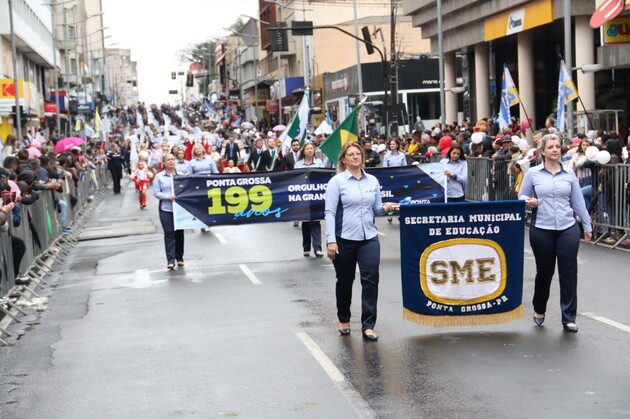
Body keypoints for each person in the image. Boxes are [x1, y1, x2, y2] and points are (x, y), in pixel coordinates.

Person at [325, 142, 399, 341]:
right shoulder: (337, 182)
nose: (356, 157)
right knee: (345, 281)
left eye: (358, 154)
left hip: (369, 238)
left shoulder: (372, 181)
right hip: (344, 239)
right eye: (351, 154)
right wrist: (331, 241)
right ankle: (344, 319)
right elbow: (330, 213)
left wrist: (386, 207)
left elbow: (375, 209)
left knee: (370, 279)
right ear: (343, 159)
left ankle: (368, 325)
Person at [518, 133, 592, 333]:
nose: (555, 150)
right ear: (542, 151)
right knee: (545, 272)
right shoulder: (533, 173)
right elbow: (521, 195)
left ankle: (569, 318)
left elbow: (578, 203)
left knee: (569, 272)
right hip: (542, 228)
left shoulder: (569, 174)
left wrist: (587, 226)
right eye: (550, 147)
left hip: (568, 227)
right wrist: (529, 201)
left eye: (557, 146)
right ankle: (539, 307)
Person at [153, 153, 185, 270]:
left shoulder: (181, 175)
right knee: (169, 233)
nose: (171, 161)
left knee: (179, 233)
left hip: (179, 209)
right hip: (166, 209)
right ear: (164, 163)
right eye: (168, 160)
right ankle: (170, 260)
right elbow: (156, 192)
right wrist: (167, 197)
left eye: (172, 159)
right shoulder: (159, 176)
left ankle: (179, 257)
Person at [294, 142, 324, 257]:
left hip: (316, 196)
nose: (310, 150)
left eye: (312, 148)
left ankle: (318, 248)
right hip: (303, 197)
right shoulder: (298, 164)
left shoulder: (319, 163)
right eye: (308, 148)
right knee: (306, 222)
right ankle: (306, 248)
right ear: (304, 151)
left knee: (316, 221)